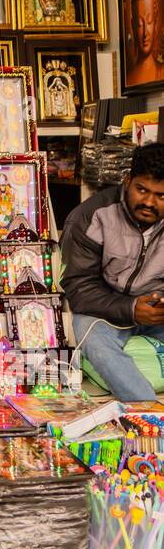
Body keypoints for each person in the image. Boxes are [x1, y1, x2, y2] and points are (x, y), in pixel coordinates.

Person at [61, 144, 164, 401]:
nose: (149, 202)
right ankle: (148, 411)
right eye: (142, 190)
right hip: (105, 312)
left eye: (161, 196)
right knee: (92, 338)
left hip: (158, 311)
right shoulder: (91, 216)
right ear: (127, 180)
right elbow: (78, 287)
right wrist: (131, 308)